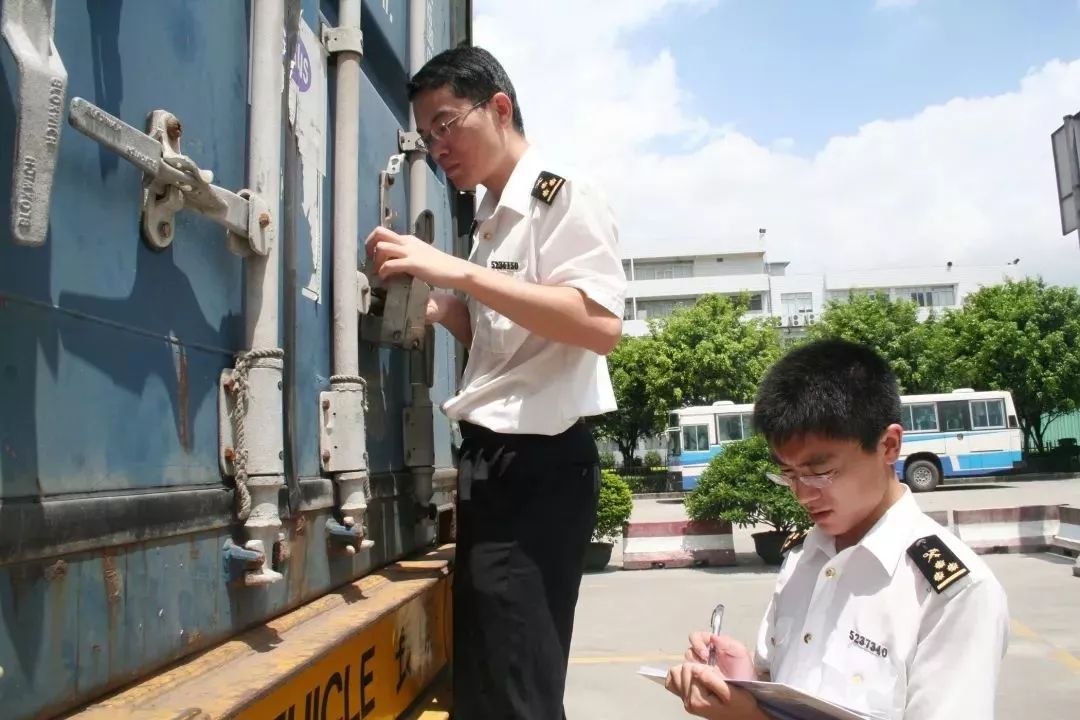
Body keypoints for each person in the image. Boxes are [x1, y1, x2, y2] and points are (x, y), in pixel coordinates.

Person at [364, 46, 626, 719]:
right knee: (482, 687)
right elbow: (505, 349)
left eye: (447, 124)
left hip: (538, 468)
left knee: (517, 690)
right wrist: (437, 304)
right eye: (426, 136)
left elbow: (598, 323)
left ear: (499, 108)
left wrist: (460, 274)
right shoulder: (490, 217)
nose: (438, 147)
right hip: (493, 465)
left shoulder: (557, 195)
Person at [665, 339, 1010, 720]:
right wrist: (741, 680)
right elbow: (786, 686)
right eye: (787, 473)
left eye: (819, 473)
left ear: (889, 445)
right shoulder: (804, 556)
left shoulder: (952, 592)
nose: (801, 494)